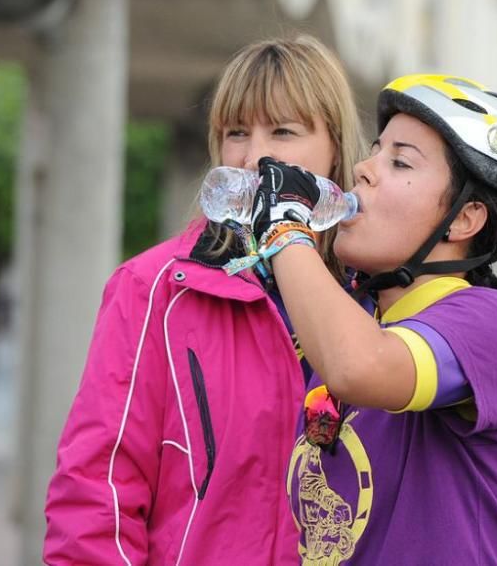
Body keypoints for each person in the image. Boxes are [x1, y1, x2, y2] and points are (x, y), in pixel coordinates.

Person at [43, 35, 367, 565]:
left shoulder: (373, 300)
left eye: (283, 131)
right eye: (236, 132)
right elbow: (95, 494)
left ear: (335, 151)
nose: (254, 155)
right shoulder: (153, 288)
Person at [244, 74, 497, 564]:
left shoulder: (494, 322)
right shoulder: (354, 319)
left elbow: (359, 366)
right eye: (374, 152)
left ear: (464, 220)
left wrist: (286, 229)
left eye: (399, 161)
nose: (362, 170)